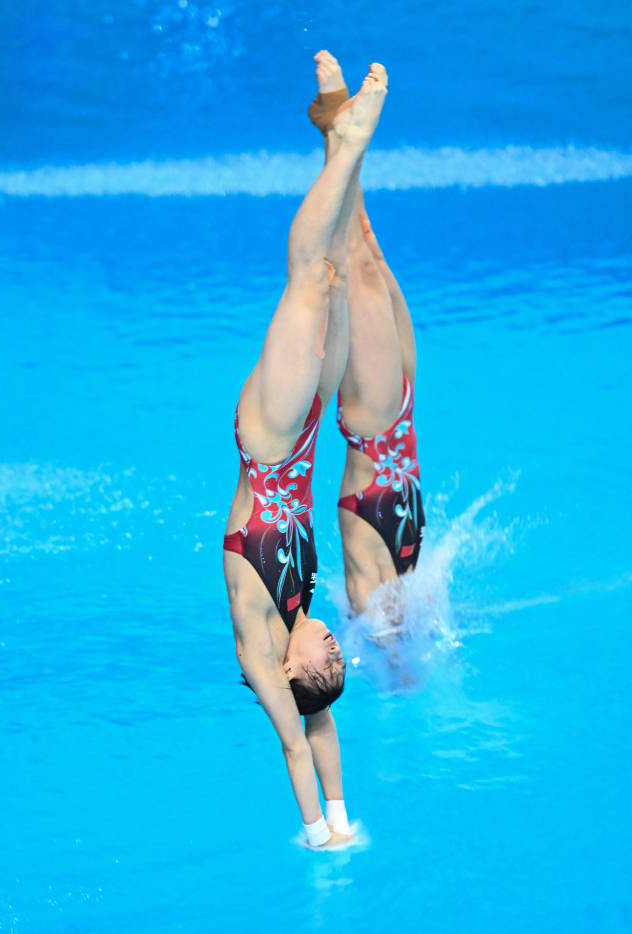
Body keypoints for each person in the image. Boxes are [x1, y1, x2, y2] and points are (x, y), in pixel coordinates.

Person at [223, 60, 388, 848]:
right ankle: (332, 131)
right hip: (308, 430)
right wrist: (347, 814)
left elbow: (295, 737)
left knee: (302, 279)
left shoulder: (261, 641)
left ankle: (349, 138)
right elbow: (324, 729)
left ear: (289, 673)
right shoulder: (300, 610)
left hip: (267, 441)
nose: (331, 637)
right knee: (336, 284)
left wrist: (319, 830)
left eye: (325, 652)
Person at [308, 51, 426, 622]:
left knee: (351, 256)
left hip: (374, 427)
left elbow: (366, 620)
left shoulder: (368, 597)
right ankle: (339, 129)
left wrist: (382, 644)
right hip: (401, 408)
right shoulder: (408, 574)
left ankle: (338, 123)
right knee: (368, 248)